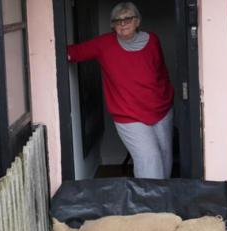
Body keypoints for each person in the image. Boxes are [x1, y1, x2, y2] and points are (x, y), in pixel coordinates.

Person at [67, 2, 174, 179]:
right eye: (117, 21)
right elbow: (72, 53)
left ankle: (164, 199)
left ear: (137, 21)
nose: (123, 24)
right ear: (112, 25)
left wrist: (168, 95)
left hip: (161, 108)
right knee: (149, 158)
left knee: (164, 155)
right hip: (129, 114)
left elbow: (161, 71)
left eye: (128, 19)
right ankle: (148, 203)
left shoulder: (152, 40)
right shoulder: (103, 44)